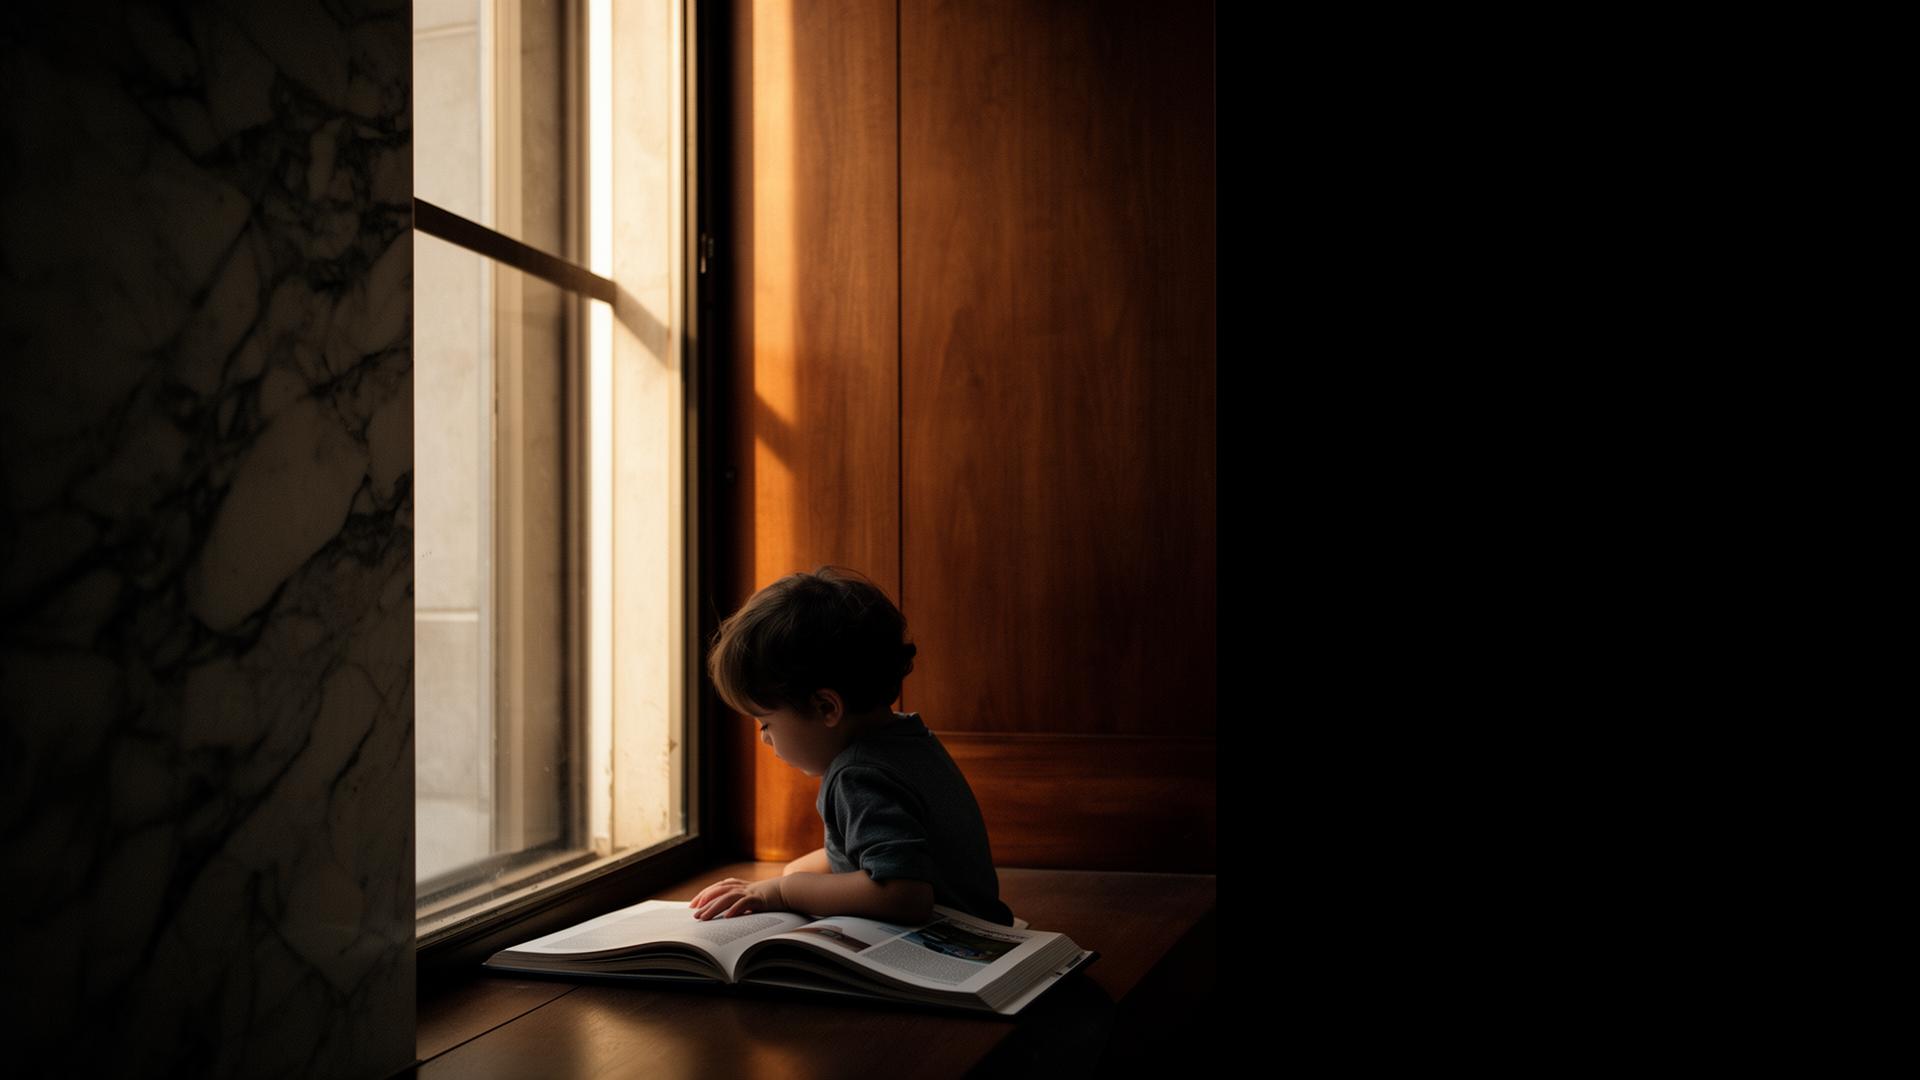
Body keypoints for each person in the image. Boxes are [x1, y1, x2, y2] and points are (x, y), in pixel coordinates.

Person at [690, 567, 1015, 927]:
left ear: (826, 707)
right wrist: (785, 879)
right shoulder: (909, 739)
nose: (764, 738)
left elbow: (904, 894)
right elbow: (883, 844)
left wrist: (785, 892)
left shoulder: (858, 775)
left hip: (946, 938)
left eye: (766, 723)